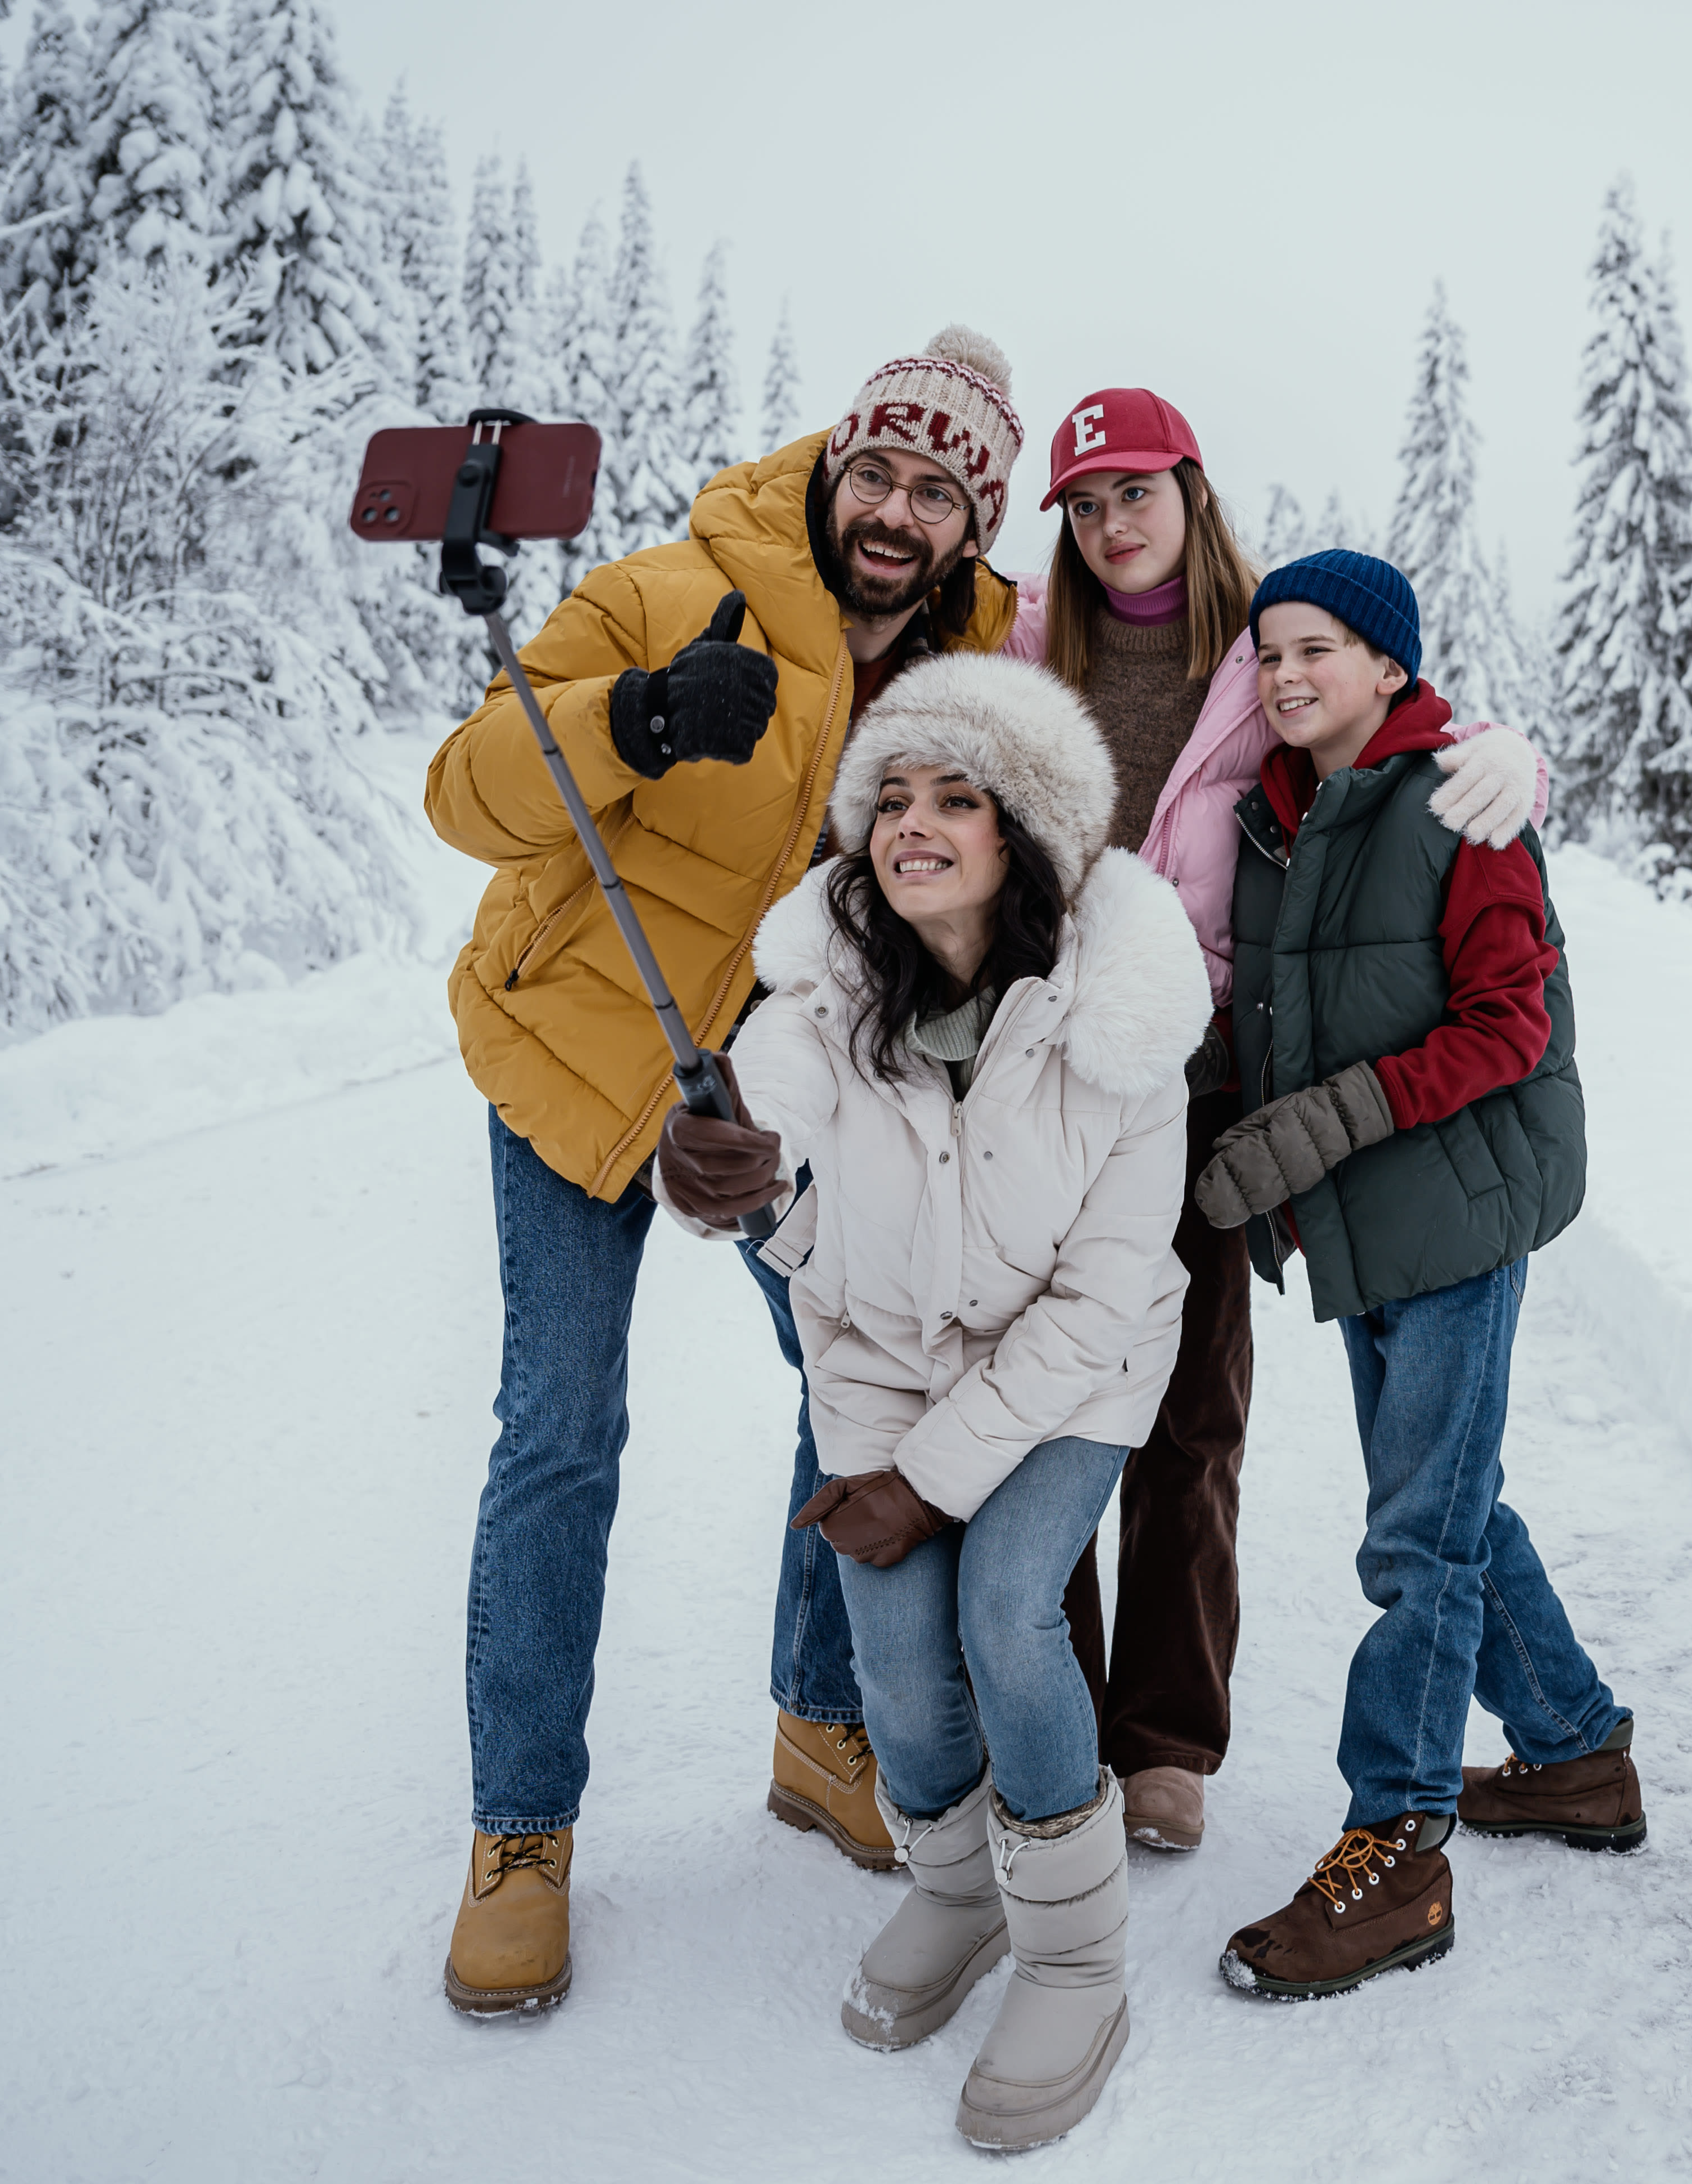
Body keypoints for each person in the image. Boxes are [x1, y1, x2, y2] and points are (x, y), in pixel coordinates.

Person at [423, 326, 1029, 2016]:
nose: (899, 508)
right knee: (562, 1428)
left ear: (972, 526)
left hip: (766, 1107)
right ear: (837, 467)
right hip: (576, 1067)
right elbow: (468, 792)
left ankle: (819, 1724)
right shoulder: (668, 587)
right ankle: (522, 1831)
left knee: (856, 1394)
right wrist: (629, 719)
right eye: (883, 469)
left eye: (940, 488)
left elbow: (1165, 664)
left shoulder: (967, 693)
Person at [668, 652, 1204, 2150]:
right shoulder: (822, 1004)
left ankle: (1074, 1954)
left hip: (1073, 1374)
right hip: (889, 1367)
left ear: (1022, 838)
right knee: (893, 1649)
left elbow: (1101, 1296)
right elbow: (796, 1223)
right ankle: (961, 1892)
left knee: (1006, 1613)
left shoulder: (1121, 1026)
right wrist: (725, 1190)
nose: (912, 823)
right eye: (889, 798)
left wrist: (933, 1481)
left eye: (954, 798)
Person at [1001, 389, 1546, 1857]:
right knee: (1040, 1399)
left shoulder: (1263, 654)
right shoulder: (1016, 653)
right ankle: (1046, 1716)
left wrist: (1513, 755)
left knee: (1191, 1409)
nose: (1114, 522)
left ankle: (1166, 1736)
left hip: (1203, 1078)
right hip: (1043, 1080)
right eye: (1085, 501)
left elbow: (1391, 720)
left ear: (1191, 489)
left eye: (1137, 490)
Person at [1188, 551, 1641, 2003]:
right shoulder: (1280, 813)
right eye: (1268, 655)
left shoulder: (1464, 799)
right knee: (1448, 1501)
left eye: (1317, 648)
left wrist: (1332, 1121)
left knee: (1417, 1540)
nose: (1287, 676)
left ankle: (1398, 1849)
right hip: (1367, 1220)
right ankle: (1575, 1754)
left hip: (1454, 1209)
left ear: (1387, 664)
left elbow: (1513, 1024)